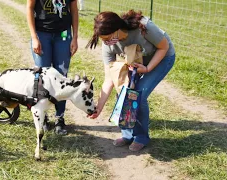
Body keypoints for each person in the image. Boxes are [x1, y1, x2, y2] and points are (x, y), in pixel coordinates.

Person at [86, 10, 175, 151]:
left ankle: (141, 137)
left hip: (162, 57)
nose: (108, 43)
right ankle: (127, 134)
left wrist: (147, 69)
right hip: (136, 61)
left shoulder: (144, 27)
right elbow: (109, 78)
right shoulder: (107, 45)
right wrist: (99, 107)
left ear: (117, 29)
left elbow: (164, 47)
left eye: (109, 38)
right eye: (104, 40)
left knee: (138, 95)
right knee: (123, 92)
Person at [27, 0, 79, 135]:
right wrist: (34, 37)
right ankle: (43, 117)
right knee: (42, 78)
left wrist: (75, 37)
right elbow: (29, 8)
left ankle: (59, 118)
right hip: (42, 34)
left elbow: (74, 10)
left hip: (63, 34)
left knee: (61, 78)